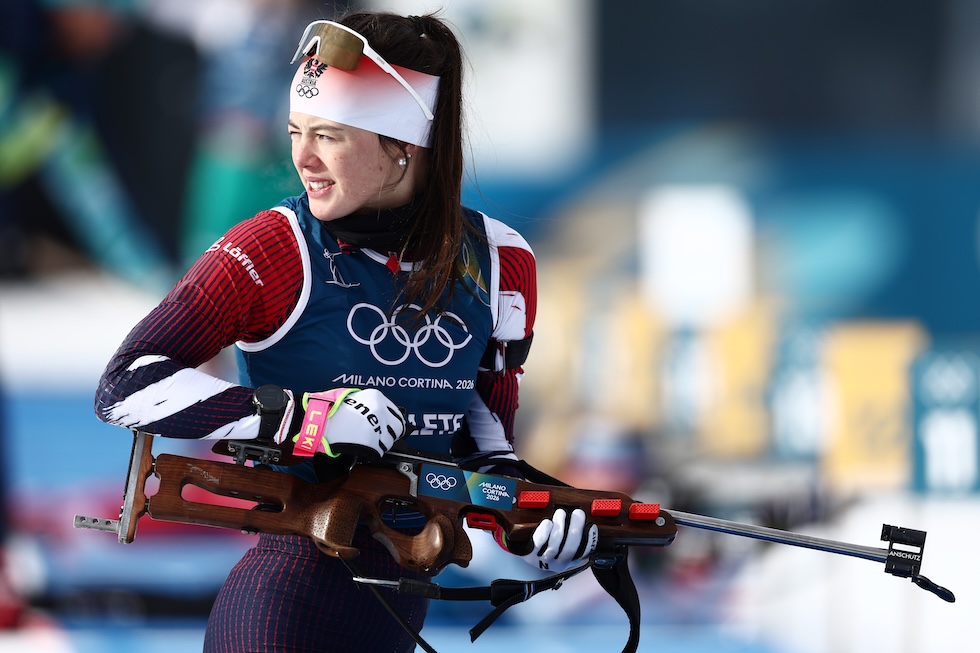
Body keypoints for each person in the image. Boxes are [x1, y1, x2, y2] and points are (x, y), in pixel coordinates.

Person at [94, 11, 597, 652]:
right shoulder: (275, 248)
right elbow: (125, 384)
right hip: (282, 604)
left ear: (403, 145)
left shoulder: (500, 261)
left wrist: (542, 522)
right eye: (295, 131)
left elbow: (480, 457)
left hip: (397, 610)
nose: (301, 158)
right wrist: (309, 420)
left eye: (328, 135)